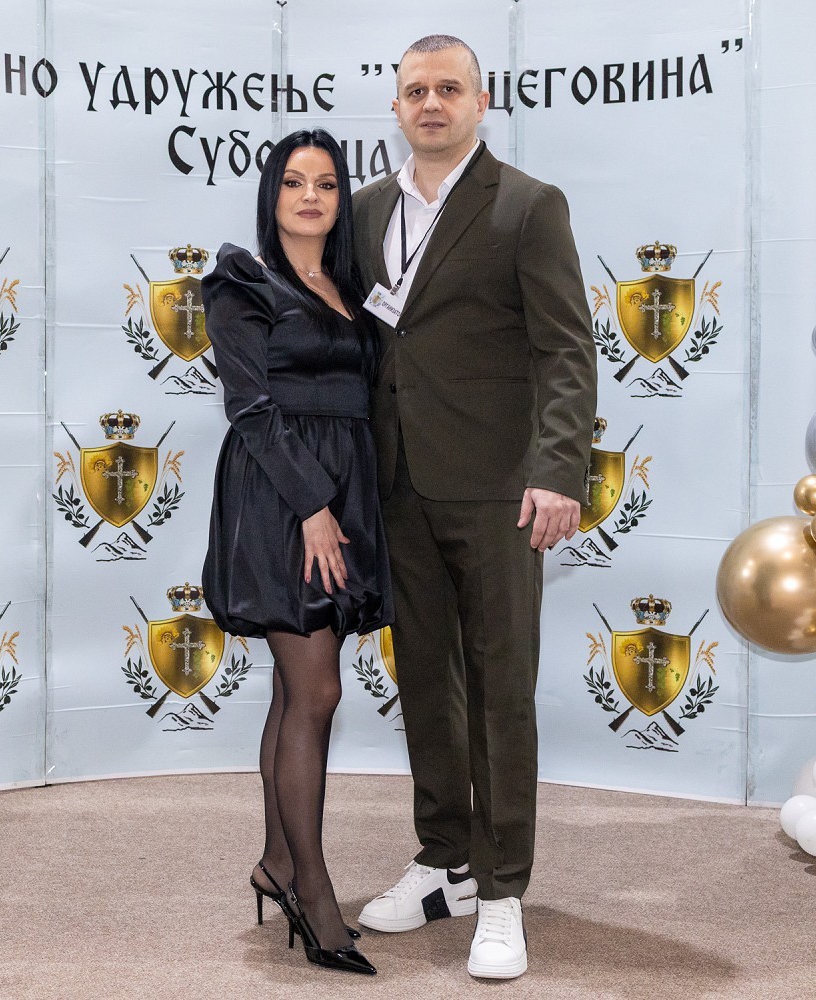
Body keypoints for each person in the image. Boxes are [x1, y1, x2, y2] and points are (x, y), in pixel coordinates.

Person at [350, 35, 598, 980]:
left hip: (500, 488)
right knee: (424, 681)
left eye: (448, 88)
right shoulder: (366, 208)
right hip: (396, 484)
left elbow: (567, 349)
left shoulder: (528, 205)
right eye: (415, 90)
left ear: (480, 101)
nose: (431, 103)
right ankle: (444, 861)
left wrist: (559, 470)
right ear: (396, 106)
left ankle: (501, 892)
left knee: (499, 690)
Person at [201, 128, 390, 977]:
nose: (310, 196)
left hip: (345, 493)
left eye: (325, 183)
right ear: (271, 195)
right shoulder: (243, 280)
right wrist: (313, 505)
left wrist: (346, 501)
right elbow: (249, 404)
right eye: (293, 182)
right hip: (283, 498)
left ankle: (276, 863)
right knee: (317, 692)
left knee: (293, 690)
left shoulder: (353, 285)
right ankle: (314, 891)